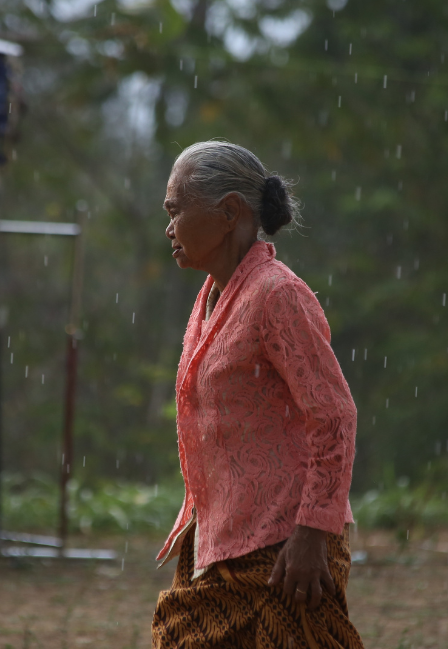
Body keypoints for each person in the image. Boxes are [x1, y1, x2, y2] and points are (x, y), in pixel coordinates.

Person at [152, 140, 364, 649]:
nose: (169, 228)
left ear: (229, 212)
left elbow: (334, 416)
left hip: (285, 550)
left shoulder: (277, 295)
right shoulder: (212, 298)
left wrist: (312, 533)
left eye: (176, 211)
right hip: (222, 541)